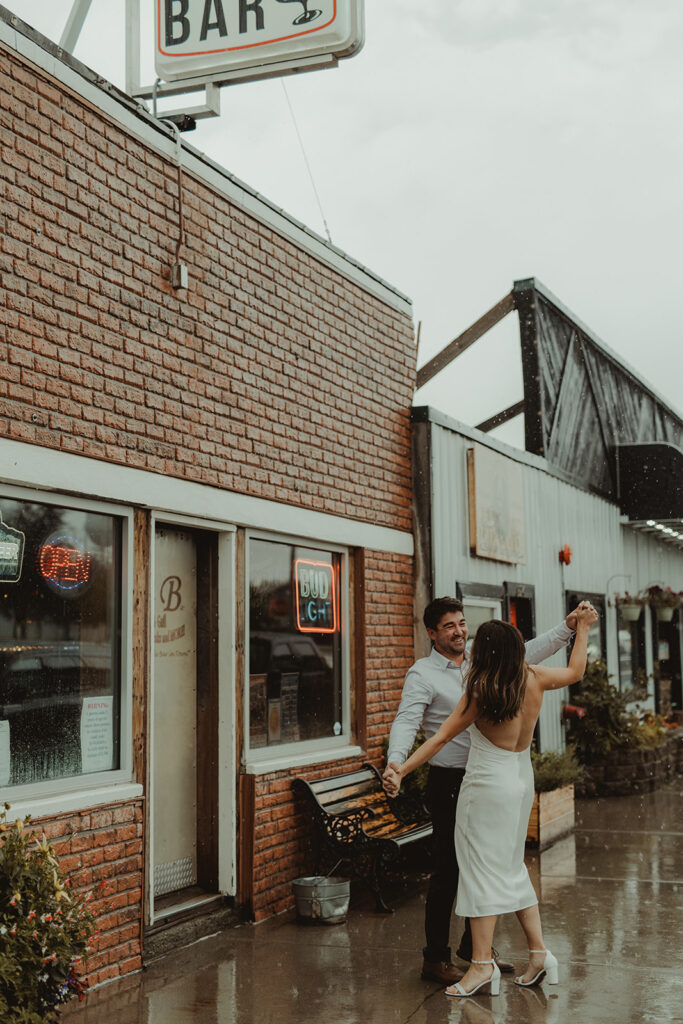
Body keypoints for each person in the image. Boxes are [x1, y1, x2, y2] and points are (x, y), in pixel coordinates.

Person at [384, 605, 596, 997]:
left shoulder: (481, 690)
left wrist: (401, 769)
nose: (461, 633)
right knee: (511, 867)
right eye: (450, 625)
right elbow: (576, 671)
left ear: (485, 653)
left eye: (465, 627)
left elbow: (440, 738)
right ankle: (539, 953)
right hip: (520, 780)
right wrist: (580, 629)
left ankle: (481, 964)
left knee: (479, 871)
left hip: (485, 785)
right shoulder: (533, 678)